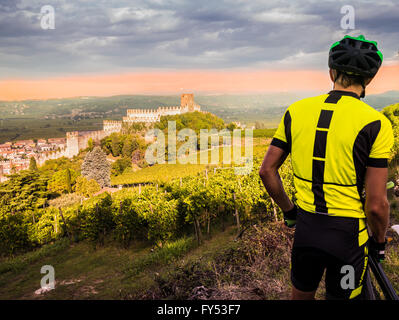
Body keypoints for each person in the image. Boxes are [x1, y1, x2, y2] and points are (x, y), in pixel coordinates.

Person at [259, 35, 394, 300]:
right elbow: (377, 204)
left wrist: (290, 212)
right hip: (347, 237)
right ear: (369, 80)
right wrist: (378, 243)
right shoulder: (377, 124)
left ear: (331, 72)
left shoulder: (295, 111)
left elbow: (267, 170)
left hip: (307, 229)